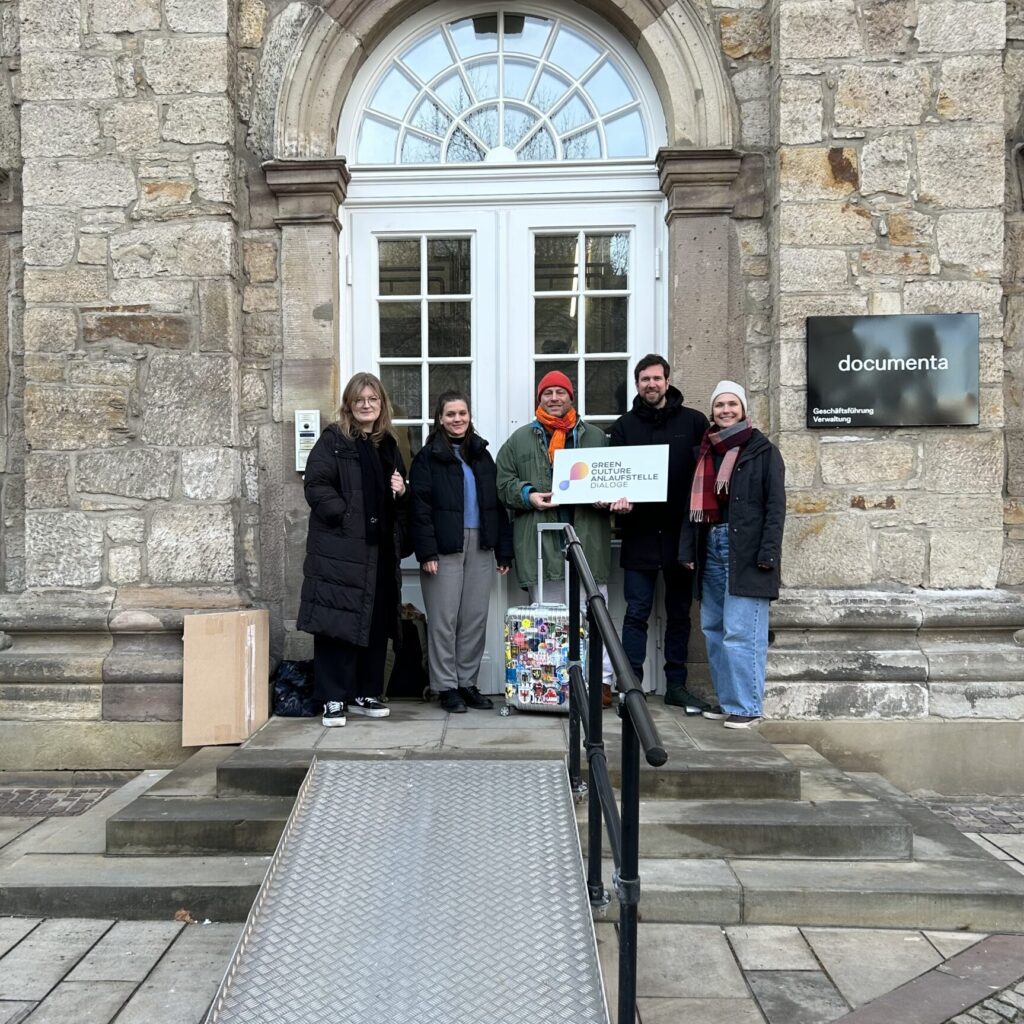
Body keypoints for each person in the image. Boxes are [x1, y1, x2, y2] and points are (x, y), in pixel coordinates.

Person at [296, 372, 411, 728]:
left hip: (378, 550)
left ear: (382, 404)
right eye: (359, 399)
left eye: (372, 399)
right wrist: (346, 516)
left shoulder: (388, 444)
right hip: (342, 550)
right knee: (337, 623)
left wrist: (401, 490)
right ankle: (333, 698)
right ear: (349, 404)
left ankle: (366, 691)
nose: (366, 405)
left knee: (375, 622)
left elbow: (399, 494)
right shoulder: (334, 440)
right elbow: (316, 485)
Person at [495, 370, 615, 704]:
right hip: (541, 543)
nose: (554, 398)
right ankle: (552, 683)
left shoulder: (595, 437)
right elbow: (503, 483)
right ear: (539, 399)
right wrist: (528, 494)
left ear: (570, 397)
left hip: (586, 539)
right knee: (548, 621)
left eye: (560, 392)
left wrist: (605, 497)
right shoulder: (519, 440)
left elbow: (612, 479)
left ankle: (601, 681)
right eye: (547, 393)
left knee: (595, 613)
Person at [679, 380, 786, 729]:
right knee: (713, 628)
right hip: (710, 545)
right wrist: (688, 550)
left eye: (732, 404)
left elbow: (775, 508)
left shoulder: (763, 450)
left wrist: (768, 553)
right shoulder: (705, 451)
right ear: (712, 411)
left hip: (747, 551)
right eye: (720, 405)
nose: (726, 410)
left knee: (742, 631)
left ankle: (747, 706)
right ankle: (729, 701)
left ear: (742, 409)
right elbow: (690, 508)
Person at [609, 354, 709, 712]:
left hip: (682, 537)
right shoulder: (623, 427)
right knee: (636, 612)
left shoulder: (695, 422)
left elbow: (706, 476)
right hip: (640, 534)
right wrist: (618, 503)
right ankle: (631, 688)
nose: (651, 384)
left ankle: (676, 685)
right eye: (644, 379)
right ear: (637, 384)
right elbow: (616, 477)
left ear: (667, 381)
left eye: (656, 378)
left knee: (680, 614)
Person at [409, 391, 513, 714]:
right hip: (443, 547)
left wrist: (503, 551)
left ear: (469, 416)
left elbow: (496, 506)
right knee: (445, 620)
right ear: (440, 419)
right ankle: (446, 686)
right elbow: (419, 510)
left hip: (481, 545)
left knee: (474, 619)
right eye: (450, 414)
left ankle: (467, 683)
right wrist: (427, 553)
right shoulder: (427, 458)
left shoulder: (482, 456)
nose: (457, 419)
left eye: (462, 413)